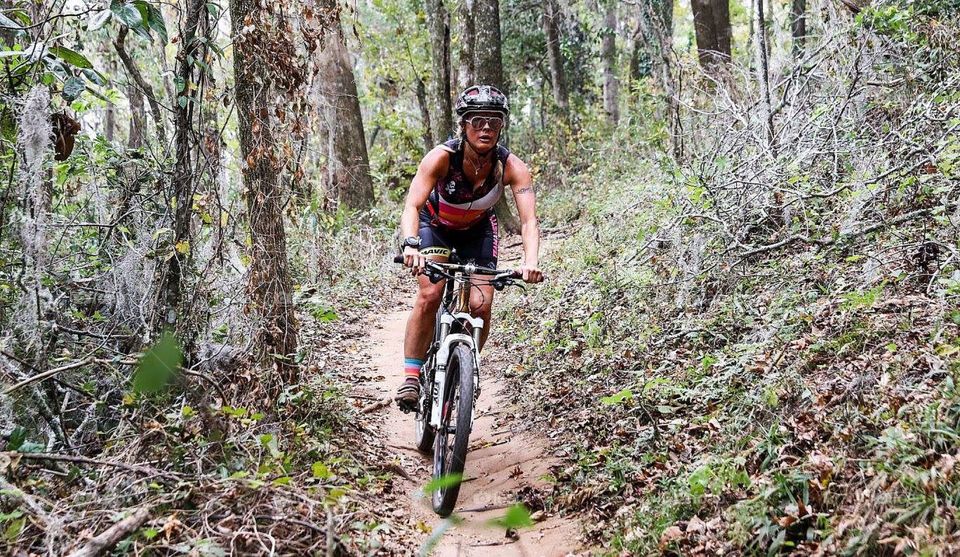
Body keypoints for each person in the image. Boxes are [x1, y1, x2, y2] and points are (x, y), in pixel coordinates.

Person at [395, 85, 543, 409]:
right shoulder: (441, 158)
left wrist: (530, 261)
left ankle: (467, 366)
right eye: (477, 120)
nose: (486, 128)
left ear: (502, 125)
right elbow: (411, 205)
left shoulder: (511, 167)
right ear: (463, 124)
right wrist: (410, 245)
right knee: (431, 294)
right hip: (434, 227)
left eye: (494, 121)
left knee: (480, 305)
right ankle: (411, 376)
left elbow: (529, 221)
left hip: (478, 231)